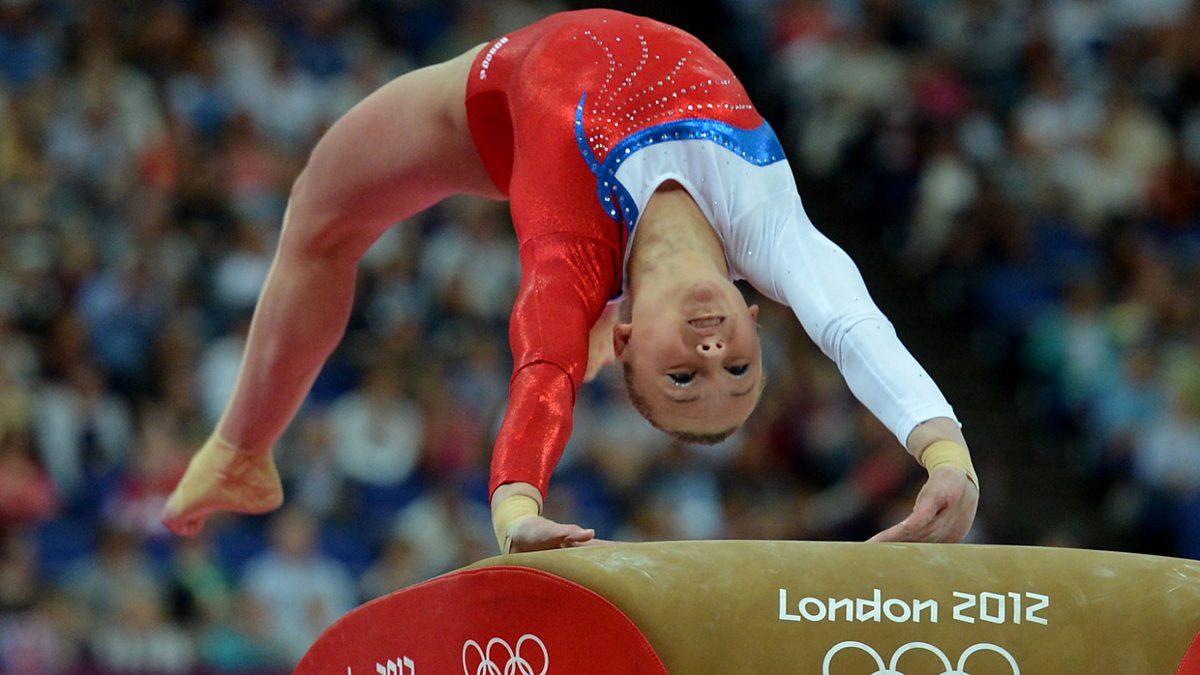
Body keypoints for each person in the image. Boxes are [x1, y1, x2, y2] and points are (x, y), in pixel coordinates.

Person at [162, 9, 978, 554]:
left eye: (682, 374)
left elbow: (542, 374)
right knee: (316, 220)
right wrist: (946, 456)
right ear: (756, 315)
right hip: (566, 128)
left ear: (626, 339)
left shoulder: (572, 252)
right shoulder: (766, 222)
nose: (710, 349)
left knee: (319, 219)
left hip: (484, 114)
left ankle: (239, 446)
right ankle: (240, 457)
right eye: (737, 367)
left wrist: (516, 512)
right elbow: (852, 323)